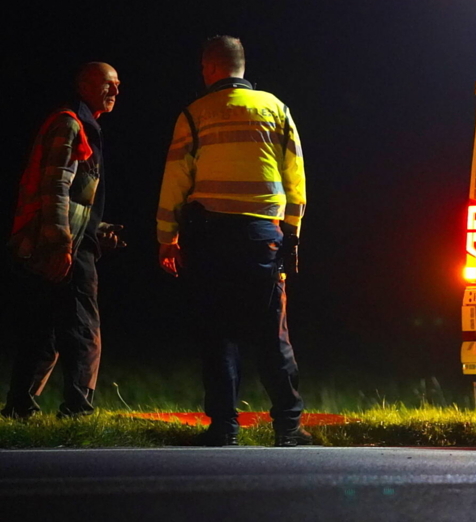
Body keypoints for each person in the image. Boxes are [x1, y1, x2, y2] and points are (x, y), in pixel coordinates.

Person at [156, 35, 309, 447]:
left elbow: (175, 181)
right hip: (263, 237)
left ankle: (225, 427)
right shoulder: (276, 108)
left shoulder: (194, 113)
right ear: (241, 67)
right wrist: (290, 233)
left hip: (211, 239)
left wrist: (166, 238)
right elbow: (296, 179)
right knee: (271, 331)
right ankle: (289, 428)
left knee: (218, 331)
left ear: (209, 68)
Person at [2, 62, 124, 419]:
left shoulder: (80, 124)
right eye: (108, 84)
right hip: (61, 245)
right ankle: (78, 409)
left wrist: (98, 230)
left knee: (43, 327)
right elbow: (54, 186)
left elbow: (73, 197)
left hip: (58, 240)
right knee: (83, 324)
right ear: (84, 85)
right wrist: (62, 244)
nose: (116, 92)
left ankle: (19, 408)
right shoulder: (70, 123)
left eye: (117, 86)